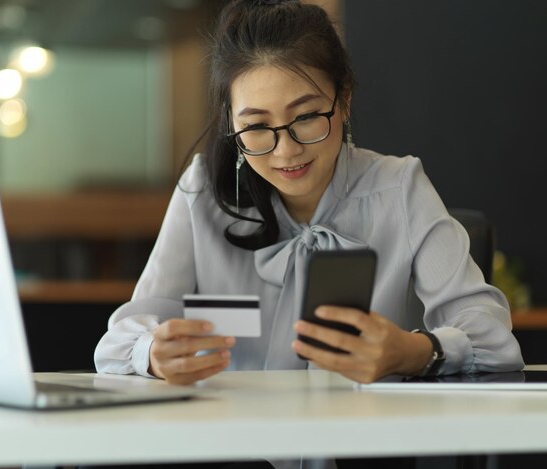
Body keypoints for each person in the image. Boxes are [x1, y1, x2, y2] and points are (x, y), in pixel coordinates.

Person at [94, 0, 524, 467]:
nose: (286, 151)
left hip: (366, 451)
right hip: (228, 451)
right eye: (257, 127)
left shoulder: (400, 186)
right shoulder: (201, 190)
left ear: (343, 100)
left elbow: (493, 339)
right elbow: (118, 341)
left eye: (306, 117)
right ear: (231, 125)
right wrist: (154, 353)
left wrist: (414, 352)